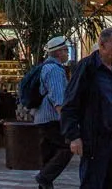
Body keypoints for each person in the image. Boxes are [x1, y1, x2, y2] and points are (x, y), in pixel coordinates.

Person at [62, 28, 112, 189]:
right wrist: (73, 136)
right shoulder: (87, 67)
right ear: (102, 45)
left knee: (111, 183)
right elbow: (70, 103)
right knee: (92, 183)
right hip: (96, 138)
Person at [34, 35, 72, 189]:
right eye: (66, 50)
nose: (68, 53)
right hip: (52, 118)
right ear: (58, 52)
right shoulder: (55, 70)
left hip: (41, 117)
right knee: (67, 147)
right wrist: (67, 120)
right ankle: (44, 177)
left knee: (48, 154)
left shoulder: (44, 67)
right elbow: (58, 98)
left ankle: (45, 184)